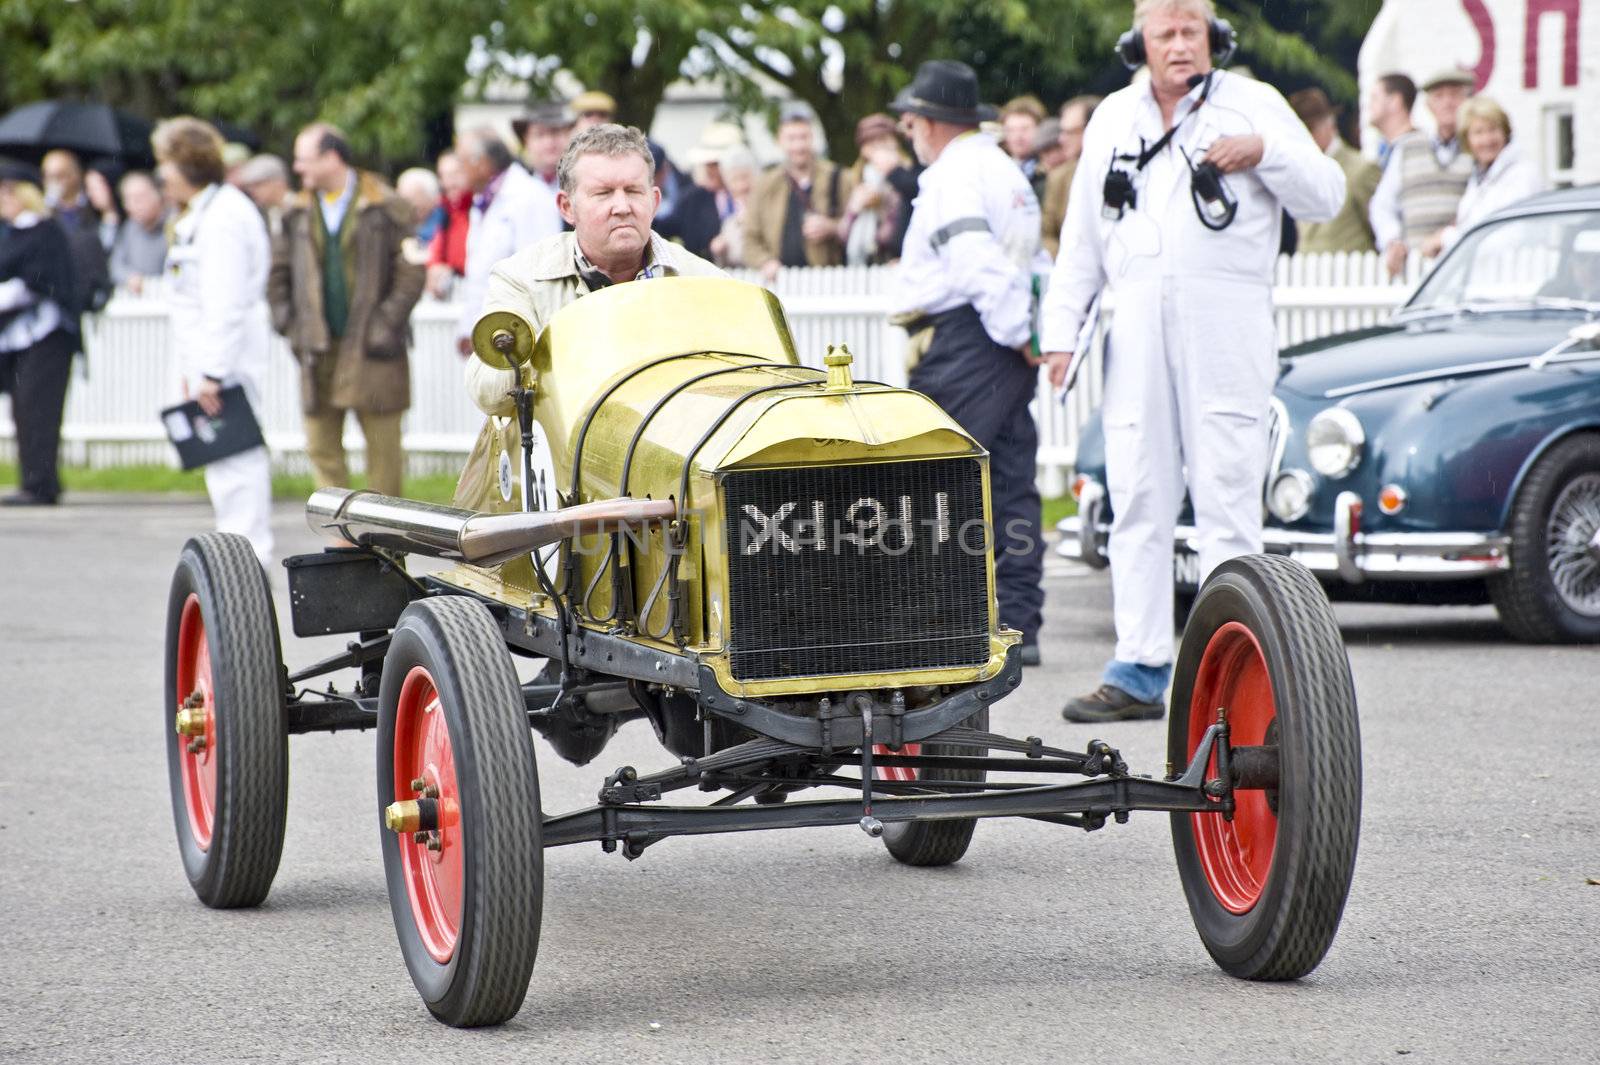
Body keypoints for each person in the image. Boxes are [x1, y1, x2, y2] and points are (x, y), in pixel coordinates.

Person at [1039, 0, 1345, 721]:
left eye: (1191, 32)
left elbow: (1327, 194)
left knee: (1226, 488)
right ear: (1138, 42)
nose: (1179, 45)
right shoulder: (1115, 116)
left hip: (1226, 317)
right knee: (1138, 487)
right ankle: (1140, 663)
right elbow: (1083, 236)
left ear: (1214, 38)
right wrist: (1062, 330)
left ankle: (1230, 665)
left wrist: (1263, 151)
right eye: (1165, 33)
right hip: (1138, 315)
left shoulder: (1256, 104)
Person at [887, 60, 1048, 666]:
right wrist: (1027, 334)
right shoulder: (1001, 169)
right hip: (992, 338)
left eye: (912, 120)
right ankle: (1018, 615)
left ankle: (945, 613)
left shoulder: (956, 175)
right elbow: (1024, 263)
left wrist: (1014, 333)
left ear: (931, 123)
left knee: (940, 478)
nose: (907, 129)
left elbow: (975, 261)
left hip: (963, 340)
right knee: (1007, 479)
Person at [463, 124, 724, 420]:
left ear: (654, 201)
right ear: (566, 207)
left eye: (634, 191)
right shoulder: (522, 278)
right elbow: (486, 393)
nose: (622, 206)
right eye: (603, 193)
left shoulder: (706, 281)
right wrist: (554, 350)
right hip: (561, 461)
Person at [268, 122, 424, 498]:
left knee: (384, 458)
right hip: (317, 347)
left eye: (304, 160)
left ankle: (385, 550)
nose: (298, 169)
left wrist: (384, 327)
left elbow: (412, 271)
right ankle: (339, 547)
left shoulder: (386, 206)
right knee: (322, 449)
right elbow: (278, 274)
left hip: (375, 349)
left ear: (331, 157)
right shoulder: (296, 212)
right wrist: (290, 323)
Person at [153, 118, 275, 566]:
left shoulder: (224, 217)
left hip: (225, 359)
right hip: (209, 358)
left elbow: (226, 304)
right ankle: (238, 554)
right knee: (224, 464)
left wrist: (212, 373)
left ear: (185, 164)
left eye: (165, 163)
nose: (160, 175)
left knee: (236, 461)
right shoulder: (206, 212)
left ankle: (247, 560)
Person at [0, 159, 81, 507]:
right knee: (21, 408)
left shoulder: (45, 231)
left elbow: (42, 281)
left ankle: (41, 484)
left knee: (40, 407)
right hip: (16, 334)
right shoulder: (12, 233)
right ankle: (32, 478)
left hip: (46, 333)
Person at [453, 126, 563, 356]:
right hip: (491, 336)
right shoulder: (484, 200)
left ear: (482, 163)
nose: (456, 169)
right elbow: (480, 275)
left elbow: (540, 276)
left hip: (519, 340)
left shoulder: (530, 197)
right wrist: (468, 328)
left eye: (461, 161)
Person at [1370, 67, 1474, 278]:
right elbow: (1382, 205)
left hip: (1464, 263)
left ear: (1467, 101)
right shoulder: (1407, 147)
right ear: (1428, 105)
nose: (1447, 103)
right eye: (1439, 96)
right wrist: (1392, 240)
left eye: (1455, 95)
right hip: (1415, 267)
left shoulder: (1476, 148)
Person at [1426, 96, 1544, 255]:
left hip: (1515, 272)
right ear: (1467, 139)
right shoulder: (1479, 178)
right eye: (1478, 132)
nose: (1487, 139)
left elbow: (1512, 235)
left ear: (1505, 133)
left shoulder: (1522, 174)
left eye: (1493, 130)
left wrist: (1447, 238)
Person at [744, 105, 845, 281]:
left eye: (803, 137)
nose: (798, 146)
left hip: (829, 280)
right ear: (780, 141)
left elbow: (859, 227)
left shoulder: (838, 178)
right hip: (780, 282)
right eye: (791, 138)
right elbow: (750, 238)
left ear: (812, 139)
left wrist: (832, 227)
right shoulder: (765, 185)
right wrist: (765, 261)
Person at [1290, 87, 1381, 253]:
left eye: (1310, 129)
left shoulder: (1362, 169)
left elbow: (1380, 230)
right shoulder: (1300, 171)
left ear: (1329, 123)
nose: (1305, 138)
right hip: (1306, 273)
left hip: (1354, 274)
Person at [835, 113, 914, 265]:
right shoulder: (854, 179)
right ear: (863, 149)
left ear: (895, 142)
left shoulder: (909, 174)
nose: (879, 147)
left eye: (883, 139)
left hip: (899, 263)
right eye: (871, 142)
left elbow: (900, 231)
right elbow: (841, 236)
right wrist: (855, 209)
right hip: (864, 267)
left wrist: (885, 205)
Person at [41, 148, 111, 314]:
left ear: (76, 175)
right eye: (49, 176)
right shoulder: (44, 212)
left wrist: (108, 212)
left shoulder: (95, 206)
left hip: (91, 292)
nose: (55, 182)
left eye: (60, 175)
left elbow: (106, 245)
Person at [1041, 96, 1102, 258]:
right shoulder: (1058, 178)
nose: (1061, 139)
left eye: (1070, 132)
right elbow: (1046, 233)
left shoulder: (1127, 169)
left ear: (1093, 128)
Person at [651, 143, 720, 261]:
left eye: (715, 164)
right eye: (707, 164)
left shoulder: (741, 197)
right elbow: (668, 226)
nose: (710, 170)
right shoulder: (693, 196)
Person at [109, 171, 169, 294]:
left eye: (139, 198)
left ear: (158, 195)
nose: (132, 205)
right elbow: (115, 265)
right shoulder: (129, 227)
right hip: (138, 301)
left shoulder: (174, 224)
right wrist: (129, 277)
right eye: (127, 199)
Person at [426, 150, 472, 299]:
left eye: (454, 174)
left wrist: (451, 270)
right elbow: (436, 254)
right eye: (443, 176)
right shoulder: (446, 212)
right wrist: (435, 268)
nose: (449, 183)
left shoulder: (480, 209)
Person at [514, 102, 575, 202]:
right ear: (525, 141)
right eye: (540, 134)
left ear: (568, 135)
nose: (549, 142)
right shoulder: (512, 187)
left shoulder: (583, 185)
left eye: (555, 132)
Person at [708, 147, 758, 267]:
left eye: (745, 177)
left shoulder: (764, 204)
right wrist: (720, 251)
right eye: (735, 180)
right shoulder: (726, 206)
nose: (742, 186)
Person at [1366, 72, 1418, 170]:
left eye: (1375, 98)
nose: (1369, 106)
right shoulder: (1387, 150)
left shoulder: (1416, 150)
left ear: (1395, 101)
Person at [235, 153, 292, 236]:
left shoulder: (300, 211)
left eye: (258, 185)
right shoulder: (267, 214)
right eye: (250, 186)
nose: (252, 191)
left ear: (277, 182)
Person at [999, 95, 1047, 179]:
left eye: (1025, 129)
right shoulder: (998, 168)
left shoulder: (1048, 169)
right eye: (1011, 130)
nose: (1018, 136)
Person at [396, 167, 441, 239]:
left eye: (412, 199)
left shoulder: (444, 225)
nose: (408, 206)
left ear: (433, 199)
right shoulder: (395, 225)